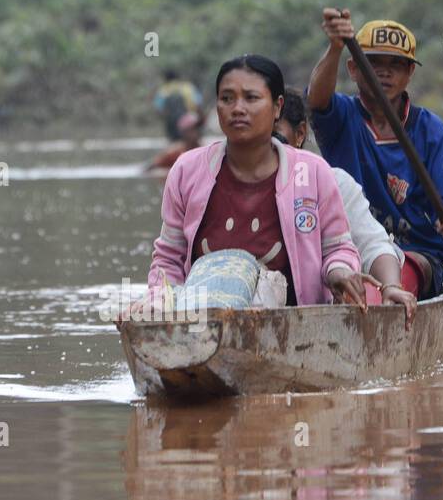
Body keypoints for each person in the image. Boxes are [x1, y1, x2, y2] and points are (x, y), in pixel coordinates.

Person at [147, 54, 369, 309]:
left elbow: (338, 248)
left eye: (251, 98)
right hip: (204, 325)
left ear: (277, 107)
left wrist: (339, 272)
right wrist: (157, 301)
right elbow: (169, 258)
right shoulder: (187, 170)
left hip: (295, 325)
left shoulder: (313, 172)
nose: (237, 108)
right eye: (226, 98)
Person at [306, 11, 443, 300]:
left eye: (396, 65)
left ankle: (386, 296)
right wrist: (335, 46)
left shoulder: (430, 130)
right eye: (373, 63)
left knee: (379, 289)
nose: (384, 73)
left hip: (415, 254)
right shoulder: (342, 118)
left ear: (410, 73)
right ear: (354, 69)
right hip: (347, 249)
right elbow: (316, 100)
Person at [274, 88, 416, 328]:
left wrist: (391, 286)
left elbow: (373, 244)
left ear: (300, 134)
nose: (265, 150)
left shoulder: (331, 181)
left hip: (318, 314)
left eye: (275, 137)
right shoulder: (226, 183)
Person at [153, 71, 203, 141]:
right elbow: (198, 104)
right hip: (189, 123)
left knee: (174, 144)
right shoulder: (187, 87)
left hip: (172, 125)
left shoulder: (163, 90)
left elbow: (158, 109)